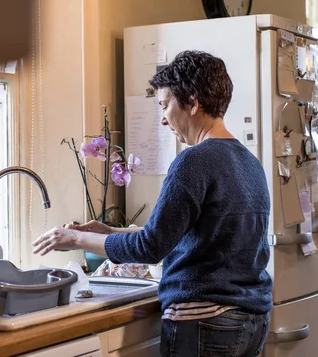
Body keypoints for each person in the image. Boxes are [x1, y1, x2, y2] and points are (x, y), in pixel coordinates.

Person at [32, 50, 272, 357]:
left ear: (194, 102)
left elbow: (151, 247)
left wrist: (76, 238)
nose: (162, 118)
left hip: (205, 321)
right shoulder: (250, 163)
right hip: (251, 320)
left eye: (165, 105)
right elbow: (189, 237)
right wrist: (108, 231)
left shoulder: (193, 162)